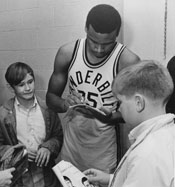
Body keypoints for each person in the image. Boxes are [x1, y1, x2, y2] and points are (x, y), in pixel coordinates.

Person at [46, 4, 140, 173]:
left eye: (106, 44)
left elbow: (137, 112)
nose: (98, 49)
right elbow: (51, 98)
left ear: (117, 34)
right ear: (86, 29)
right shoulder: (68, 52)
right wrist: (64, 104)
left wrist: (113, 117)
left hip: (104, 148)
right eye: (93, 41)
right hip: (72, 143)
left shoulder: (127, 61)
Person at [84, 60, 175, 187]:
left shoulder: (147, 155)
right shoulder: (167, 132)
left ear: (139, 103)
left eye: (119, 102)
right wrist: (111, 179)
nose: (118, 109)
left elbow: (146, 171)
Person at [0, 62, 63, 187]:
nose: (28, 88)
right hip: (17, 177)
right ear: (10, 87)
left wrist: (48, 147)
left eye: (30, 82)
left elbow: (58, 136)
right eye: (21, 85)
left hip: (46, 175)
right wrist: (19, 152)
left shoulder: (48, 109)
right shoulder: (3, 114)